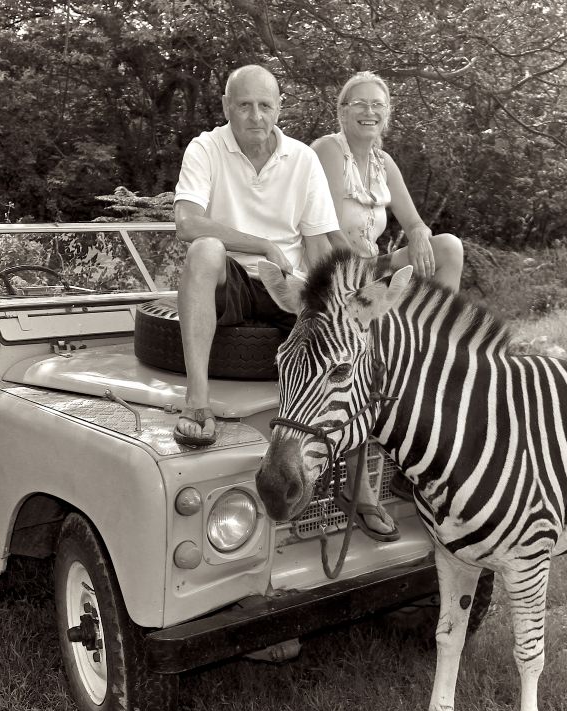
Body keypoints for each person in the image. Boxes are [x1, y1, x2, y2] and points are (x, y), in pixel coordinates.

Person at [171, 64, 342, 447]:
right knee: (204, 248)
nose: (256, 116)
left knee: (343, 332)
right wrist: (262, 245)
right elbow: (187, 224)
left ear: (280, 107)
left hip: (284, 282)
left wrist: (330, 306)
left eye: (265, 105)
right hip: (229, 280)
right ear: (226, 106)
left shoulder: (303, 159)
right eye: (244, 105)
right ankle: (197, 401)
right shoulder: (206, 147)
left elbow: (317, 245)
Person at [311, 71, 464, 290]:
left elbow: (414, 223)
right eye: (360, 104)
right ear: (343, 112)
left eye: (377, 104)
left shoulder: (383, 163)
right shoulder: (328, 150)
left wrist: (419, 235)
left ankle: (439, 323)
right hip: (333, 269)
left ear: (387, 113)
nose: (369, 111)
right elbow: (328, 232)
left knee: (450, 247)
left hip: (369, 267)